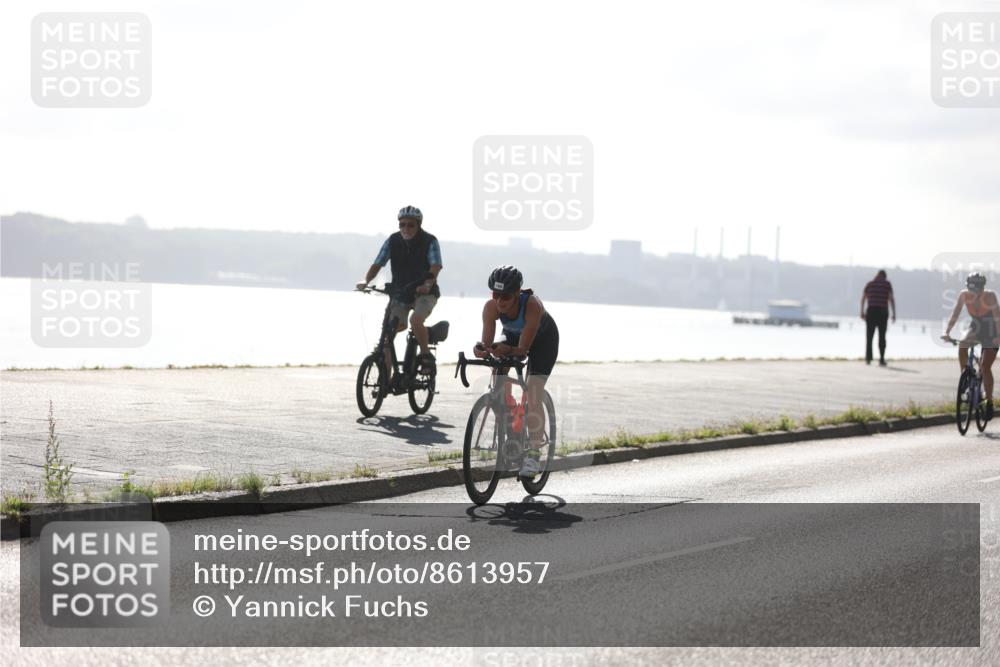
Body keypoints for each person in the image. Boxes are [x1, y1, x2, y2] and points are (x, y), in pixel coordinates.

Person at [473, 266, 559, 480]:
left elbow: (522, 351)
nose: (500, 301)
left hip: (542, 342)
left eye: (506, 296)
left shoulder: (532, 306)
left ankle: (533, 455)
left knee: (533, 392)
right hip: (512, 337)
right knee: (498, 370)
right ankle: (512, 424)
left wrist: (508, 350)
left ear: (517, 293)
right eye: (495, 294)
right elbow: (488, 344)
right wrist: (482, 349)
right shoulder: (490, 308)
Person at [356, 206, 442, 386]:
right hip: (400, 293)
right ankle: (385, 381)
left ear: (418, 225)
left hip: (424, 293)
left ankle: (425, 355)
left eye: (410, 225)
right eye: (402, 224)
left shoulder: (430, 241)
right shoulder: (393, 241)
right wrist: (366, 280)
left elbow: (435, 266)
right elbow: (378, 263)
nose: (406, 228)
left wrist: (427, 284)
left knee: (416, 320)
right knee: (388, 335)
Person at [942, 272, 1000, 420]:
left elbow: (997, 318)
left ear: (982, 288)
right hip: (976, 327)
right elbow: (955, 313)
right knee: (962, 345)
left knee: (985, 366)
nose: (973, 294)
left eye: (976, 291)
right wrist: (947, 332)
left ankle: (989, 401)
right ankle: (966, 377)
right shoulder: (963, 295)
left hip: (992, 331)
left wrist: (998, 337)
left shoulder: (991, 296)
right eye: (971, 290)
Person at [860, 269, 896, 366]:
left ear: (877, 275)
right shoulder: (887, 284)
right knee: (882, 336)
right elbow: (891, 299)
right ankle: (881, 359)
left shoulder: (870, 284)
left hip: (871, 312)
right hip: (882, 312)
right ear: (885, 276)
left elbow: (863, 298)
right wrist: (894, 313)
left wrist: (862, 312)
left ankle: (868, 358)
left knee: (869, 336)